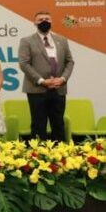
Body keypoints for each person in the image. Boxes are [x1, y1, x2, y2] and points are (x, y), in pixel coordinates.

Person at [19, 11, 74, 141]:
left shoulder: (62, 40)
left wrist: (63, 79)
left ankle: (60, 152)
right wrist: (41, 81)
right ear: (34, 23)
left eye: (47, 19)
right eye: (40, 19)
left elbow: (69, 61)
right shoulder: (26, 41)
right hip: (37, 89)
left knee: (58, 123)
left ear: (51, 21)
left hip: (58, 88)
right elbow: (24, 63)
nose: (44, 21)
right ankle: (39, 152)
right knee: (38, 124)